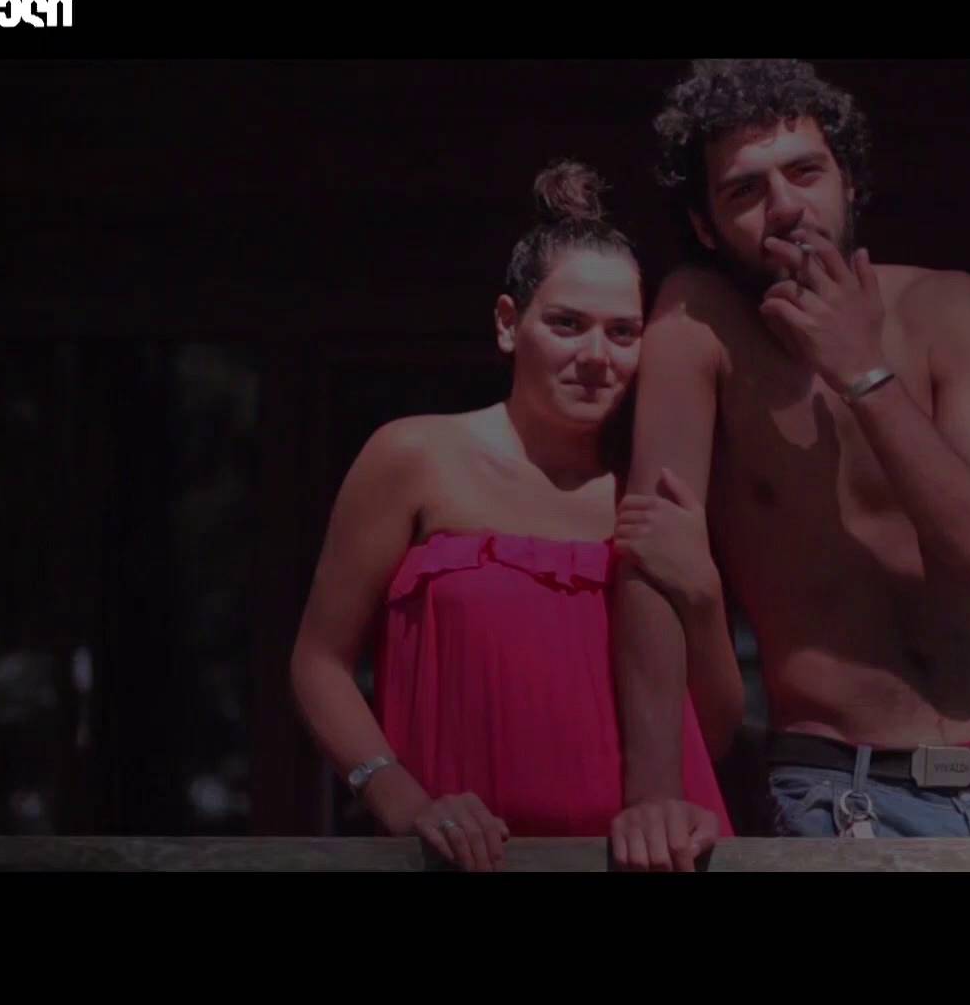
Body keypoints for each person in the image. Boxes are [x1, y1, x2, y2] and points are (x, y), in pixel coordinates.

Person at [610, 59, 970, 858]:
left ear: (847, 180)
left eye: (805, 172)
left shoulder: (946, 307)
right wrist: (652, 793)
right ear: (705, 226)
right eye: (745, 191)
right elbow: (651, 557)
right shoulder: (698, 325)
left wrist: (863, 371)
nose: (785, 206)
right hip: (842, 783)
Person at [291, 160, 739, 872]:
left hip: (646, 862)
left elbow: (709, 732)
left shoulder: (649, 490)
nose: (596, 356)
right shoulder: (414, 456)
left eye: (623, 333)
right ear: (508, 323)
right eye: (567, 324)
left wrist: (703, 593)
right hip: (465, 860)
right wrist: (402, 802)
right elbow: (318, 662)